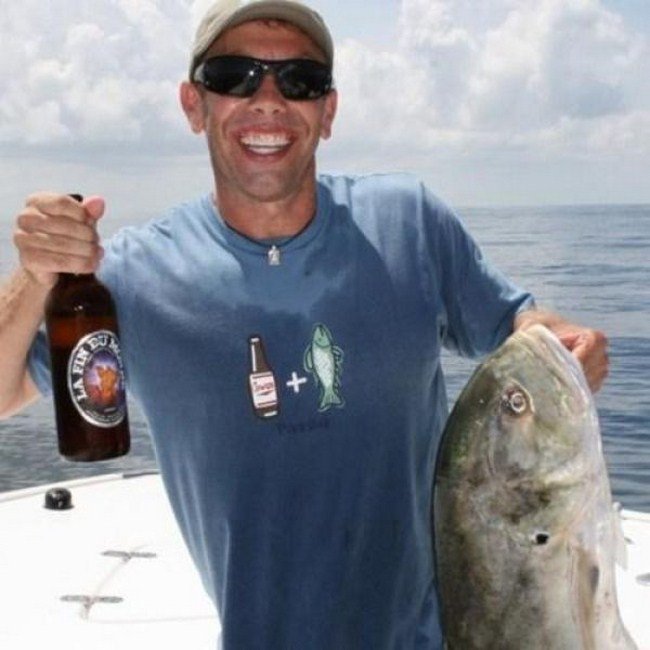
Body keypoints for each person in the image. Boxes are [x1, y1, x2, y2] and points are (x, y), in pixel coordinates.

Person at [0, 1, 608, 648]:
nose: (268, 99)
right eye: (234, 76)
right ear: (193, 104)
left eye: (301, 81)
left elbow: (519, 323)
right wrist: (34, 276)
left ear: (328, 111)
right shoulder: (128, 277)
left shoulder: (409, 223)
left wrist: (562, 345)